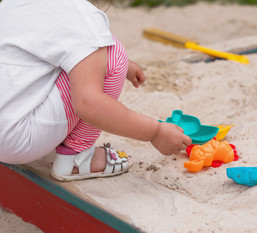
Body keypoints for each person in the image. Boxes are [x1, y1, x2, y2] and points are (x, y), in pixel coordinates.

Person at [0, 0, 192, 181]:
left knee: (91, 52)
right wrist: (155, 132)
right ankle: (77, 159)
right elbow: (89, 103)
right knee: (113, 51)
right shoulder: (83, 19)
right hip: (15, 140)